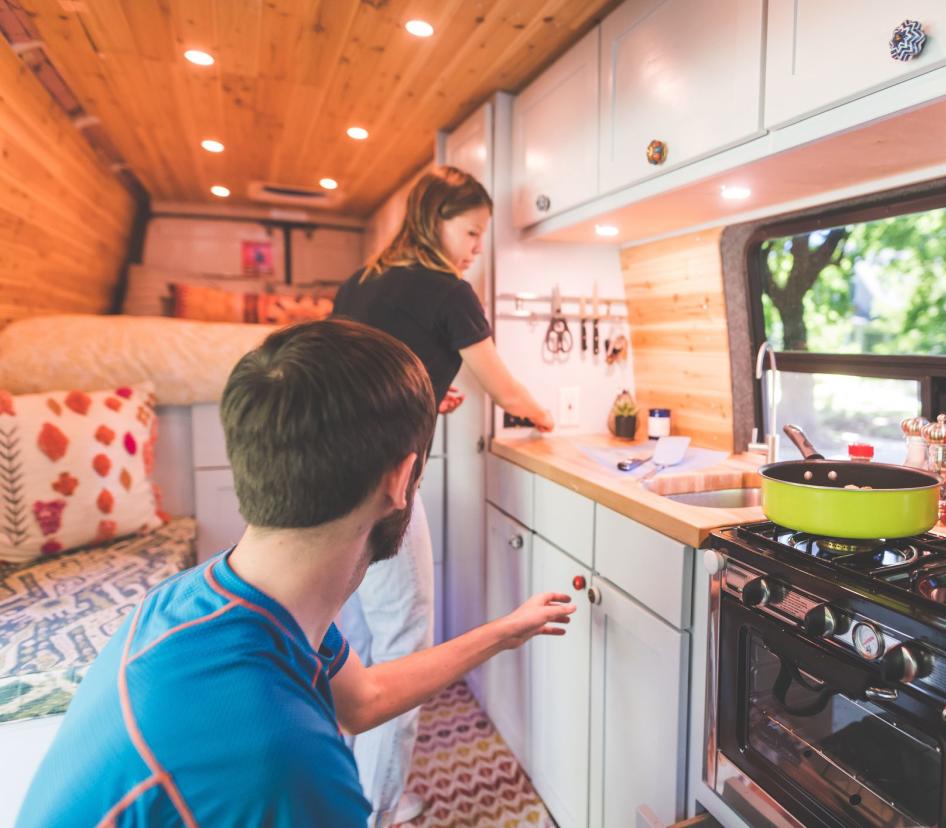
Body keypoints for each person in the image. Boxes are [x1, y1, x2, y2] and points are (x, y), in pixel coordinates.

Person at [16, 319, 574, 828]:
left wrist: (505, 631)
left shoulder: (221, 596)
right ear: (402, 480)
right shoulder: (284, 761)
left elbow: (365, 699)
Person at [331, 165, 553, 824]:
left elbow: (356, 378)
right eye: (472, 232)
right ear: (437, 221)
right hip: (382, 487)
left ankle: (349, 787)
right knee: (405, 647)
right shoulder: (449, 292)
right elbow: (506, 389)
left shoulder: (360, 282)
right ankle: (375, 811)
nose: (475, 248)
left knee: (359, 644)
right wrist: (546, 418)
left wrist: (425, 395)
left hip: (332, 476)